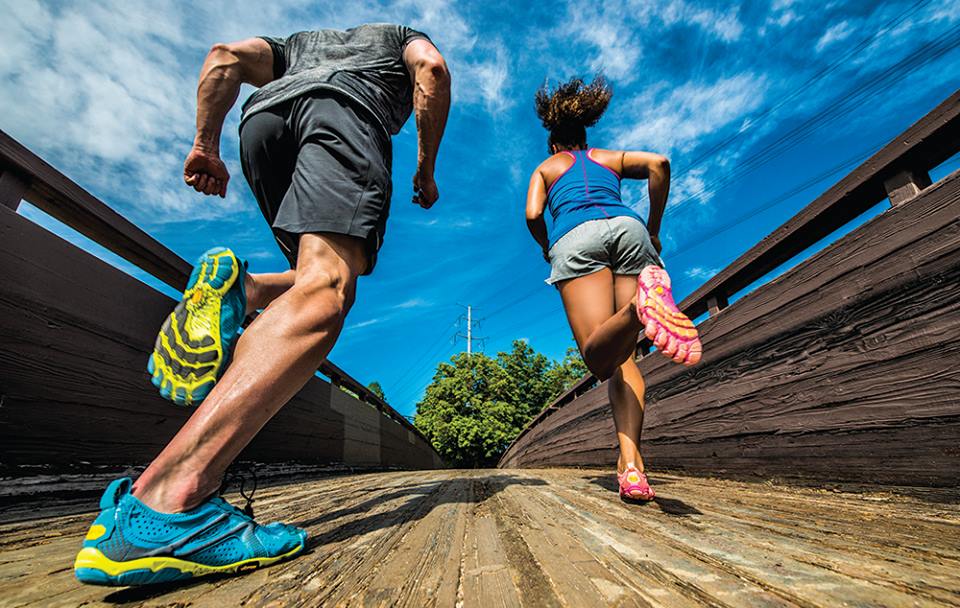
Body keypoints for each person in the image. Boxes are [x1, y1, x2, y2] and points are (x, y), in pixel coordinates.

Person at [74, 24, 450, 586]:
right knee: (327, 290)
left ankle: (244, 290)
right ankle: (169, 499)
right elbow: (432, 70)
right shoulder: (398, 38)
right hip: (345, 114)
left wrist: (205, 146)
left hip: (263, 123)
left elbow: (224, 57)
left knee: (319, 276)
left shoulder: (296, 46)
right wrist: (425, 166)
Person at [525, 75, 701, 503]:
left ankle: (640, 308)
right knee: (624, 356)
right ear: (585, 138)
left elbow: (532, 214)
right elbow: (659, 164)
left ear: (554, 144)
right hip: (629, 230)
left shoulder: (547, 168)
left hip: (576, 237)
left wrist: (547, 246)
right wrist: (653, 230)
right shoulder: (605, 158)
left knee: (598, 358)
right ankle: (632, 468)